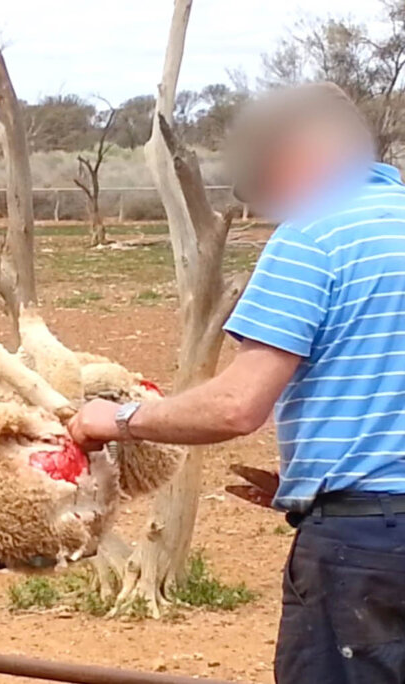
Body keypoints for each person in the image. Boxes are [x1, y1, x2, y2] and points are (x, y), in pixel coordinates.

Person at [67, 82, 405, 684]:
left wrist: (115, 421)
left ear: (297, 156)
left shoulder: (315, 236)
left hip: (367, 549)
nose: (274, 210)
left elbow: (236, 406)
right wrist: (314, 481)